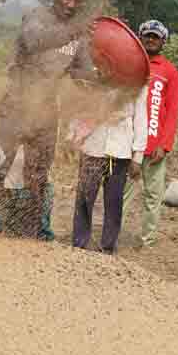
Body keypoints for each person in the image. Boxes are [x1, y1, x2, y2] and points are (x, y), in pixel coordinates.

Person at [0, 0, 100, 237]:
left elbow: (82, 73)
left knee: (38, 177)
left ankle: (32, 236)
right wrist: (76, 29)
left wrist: (109, 74)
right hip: (17, 108)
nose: (71, 5)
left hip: (47, 113)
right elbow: (34, 42)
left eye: (76, 0)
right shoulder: (36, 17)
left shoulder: (79, 37)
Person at [123, 19, 178, 246]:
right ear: (140, 37)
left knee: (153, 196)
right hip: (128, 145)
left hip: (155, 147)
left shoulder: (169, 71)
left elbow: (172, 111)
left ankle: (148, 241)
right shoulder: (129, 65)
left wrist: (164, 145)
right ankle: (113, 234)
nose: (150, 40)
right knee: (122, 194)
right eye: (147, 35)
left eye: (155, 37)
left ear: (163, 41)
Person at [71, 84, 147, 254]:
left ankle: (108, 246)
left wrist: (138, 156)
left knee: (114, 201)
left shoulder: (138, 79)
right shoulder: (93, 75)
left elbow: (141, 118)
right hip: (93, 145)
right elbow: (79, 105)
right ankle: (79, 243)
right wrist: (74, 134)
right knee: (84, 197)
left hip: (120, 148)